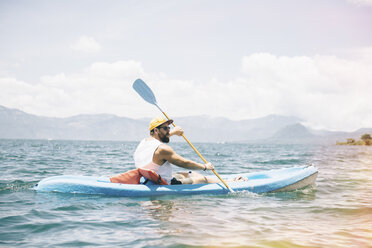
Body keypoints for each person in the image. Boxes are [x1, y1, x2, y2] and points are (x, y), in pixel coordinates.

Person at [134, 117, 247, 185]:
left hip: (153, 180)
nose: (169, 130)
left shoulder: (143, 142)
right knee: (203, 179)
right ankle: (232, 183)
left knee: (190, 174)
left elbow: (160, 140)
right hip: (167, 183)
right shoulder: (163, 149)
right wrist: (205, 167)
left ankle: (221, 180)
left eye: (169, 128)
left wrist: (173, 132)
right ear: (156, 130)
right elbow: (184, 163)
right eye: (165, 128)